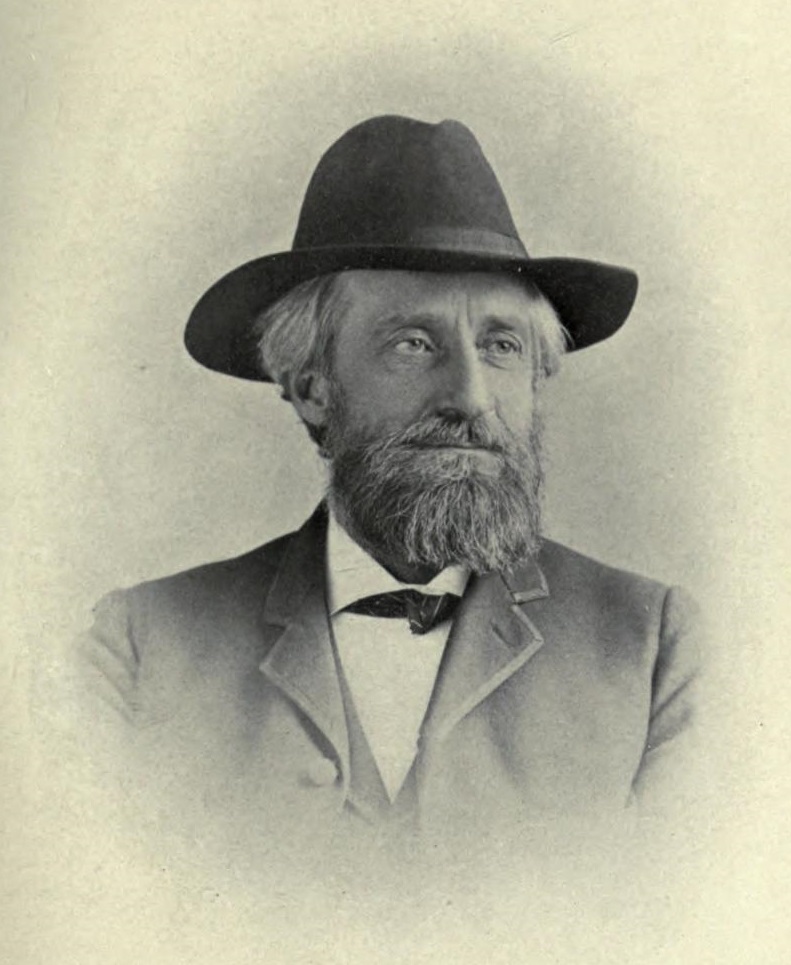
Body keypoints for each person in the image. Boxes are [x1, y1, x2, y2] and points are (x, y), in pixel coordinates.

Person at [74, 115, 702, 884]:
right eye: (412, 343)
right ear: (313, 389)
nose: (471, 397)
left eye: (501, 346)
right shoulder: (141, 649)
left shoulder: (651, 651)